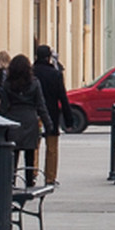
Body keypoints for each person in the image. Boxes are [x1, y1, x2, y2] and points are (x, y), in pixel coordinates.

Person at [0, 54, 53, 187]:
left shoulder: (8, 84)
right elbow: (41, 105)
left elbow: (4, 107)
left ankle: (11, 180)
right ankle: (29, 180)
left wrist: (0, 122)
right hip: (30, 119)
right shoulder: (34, 83)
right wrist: (48, 123)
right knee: (30, 153)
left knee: (13, 153)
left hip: (13, 119)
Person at [33, 45, 73, 186]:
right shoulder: (55, 74)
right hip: (51, 113)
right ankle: (50, 177)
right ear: (49, 57)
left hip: (35, 113)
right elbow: (63, 97)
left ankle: (32, 172)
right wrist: (69, 120)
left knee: (34, 144)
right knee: (52, 148)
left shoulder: (31, 72)